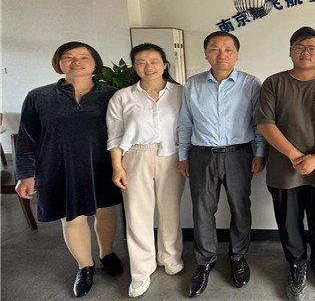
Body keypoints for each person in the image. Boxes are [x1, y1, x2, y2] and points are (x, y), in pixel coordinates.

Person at [15, 42, 123, 298]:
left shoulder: (113, 94)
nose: (76, 62)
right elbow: (27, 138)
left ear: (95, 63)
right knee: (72, 217)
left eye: (84, 57)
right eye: (69, 57)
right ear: (59, 63)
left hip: (102, 165)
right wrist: (26, 174)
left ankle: (107, 252)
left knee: (106, 211)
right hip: (59, 166)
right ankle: (85, 266)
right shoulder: (38, 96)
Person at [256, 27, 315, 300]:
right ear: (290, 51)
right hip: (284, 169)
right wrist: (295, 156)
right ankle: (296, 264)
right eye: (300, 47)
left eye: (312, 48)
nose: (306, 52)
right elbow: (265, 124)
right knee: (288, 221)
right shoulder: (274, 83)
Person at [178, 31, 265, 298]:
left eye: (228, 49)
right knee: (203, 210)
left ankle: (237, 256)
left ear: (237, 55)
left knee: (240, 208)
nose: (221, 54)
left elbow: (259, 122)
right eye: (214, 49)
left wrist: (260, 153)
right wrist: (183, 156)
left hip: (239, 154)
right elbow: (185, 123)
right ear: (206, 54)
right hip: (201, 155)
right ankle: (205, 261)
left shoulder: (251, 83)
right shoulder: (192, 85)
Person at [106, 43, 185, 297]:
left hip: (172, 156)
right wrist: (117, 166)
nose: (148, 66)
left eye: (154, 61)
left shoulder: (181, 93)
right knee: (137, 214)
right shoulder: (122, 97)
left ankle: (170, 257)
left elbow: (188, 127)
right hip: (135, 156)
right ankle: (141, 271)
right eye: (141, 62)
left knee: (170, 211)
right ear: (134, 67)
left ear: (164, 65)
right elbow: (115, 136)